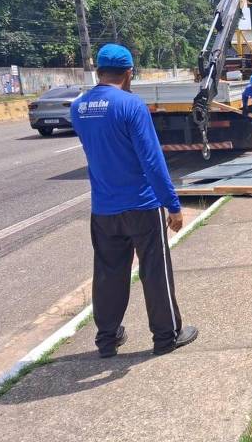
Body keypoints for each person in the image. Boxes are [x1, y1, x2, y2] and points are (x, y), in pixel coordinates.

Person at [71, 43, 197, 358]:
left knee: (108, 272)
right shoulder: (130, 106)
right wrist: (173, 205)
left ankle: (107, 339)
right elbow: (152, 162)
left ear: (98, 71)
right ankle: (166, 336)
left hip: (103, 208)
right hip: (141, 205)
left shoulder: (79, 108)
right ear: (129, 73)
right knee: (155, 269)